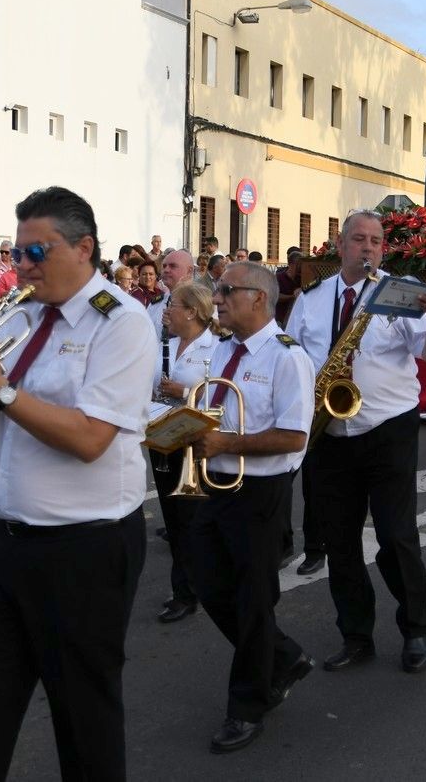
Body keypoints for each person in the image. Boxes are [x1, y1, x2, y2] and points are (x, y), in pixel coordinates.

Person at [0, 186, 154, 781]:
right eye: (17, 252)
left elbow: (90, 439)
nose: (22, 266)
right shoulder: (21, 314)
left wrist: (1, 389)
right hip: (6, 545)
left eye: (37, 252)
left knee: (84, 722)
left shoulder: (122, 323)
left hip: (85, 551)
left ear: (84, 249)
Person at [284, 210, 426, 675]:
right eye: (359, 239)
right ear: (341, 246)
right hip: (330, 432)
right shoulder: (312, 298)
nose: (369, 247)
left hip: (388, 428)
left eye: (376, 241)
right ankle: (356, 635)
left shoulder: (401, 292)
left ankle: (415, 629)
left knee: (396, 536)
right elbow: (290, 357)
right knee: (339, 542)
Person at [188, 261, 315, 753]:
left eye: (226, 291)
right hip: (215, 483)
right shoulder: (223, 349)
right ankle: (282, 656)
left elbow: (294, 436)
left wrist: (227, 444)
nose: (217, 299)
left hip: (260, 492)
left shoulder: (288, 357)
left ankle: (247, 707)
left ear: (258, 298)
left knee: (252, 601)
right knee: (207, 582)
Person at [149, 281, 220, 624]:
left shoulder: (215, 347)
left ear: (191, 311)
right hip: (161, 436)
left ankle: (188, 592)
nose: (166, 311)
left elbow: (219, 395)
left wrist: (183, 391)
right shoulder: (165, 343)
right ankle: (189, 587)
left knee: (190, 522)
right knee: (174, 521)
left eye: (173, 305)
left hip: (193, 440)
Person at [275, 249, 303, 327]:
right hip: (281, 320)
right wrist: (292, 297)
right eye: (300, 264)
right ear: (292, 264)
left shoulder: (301, 279)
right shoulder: (279, 278)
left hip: (296, 320)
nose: (301, 267)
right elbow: (275, 296)